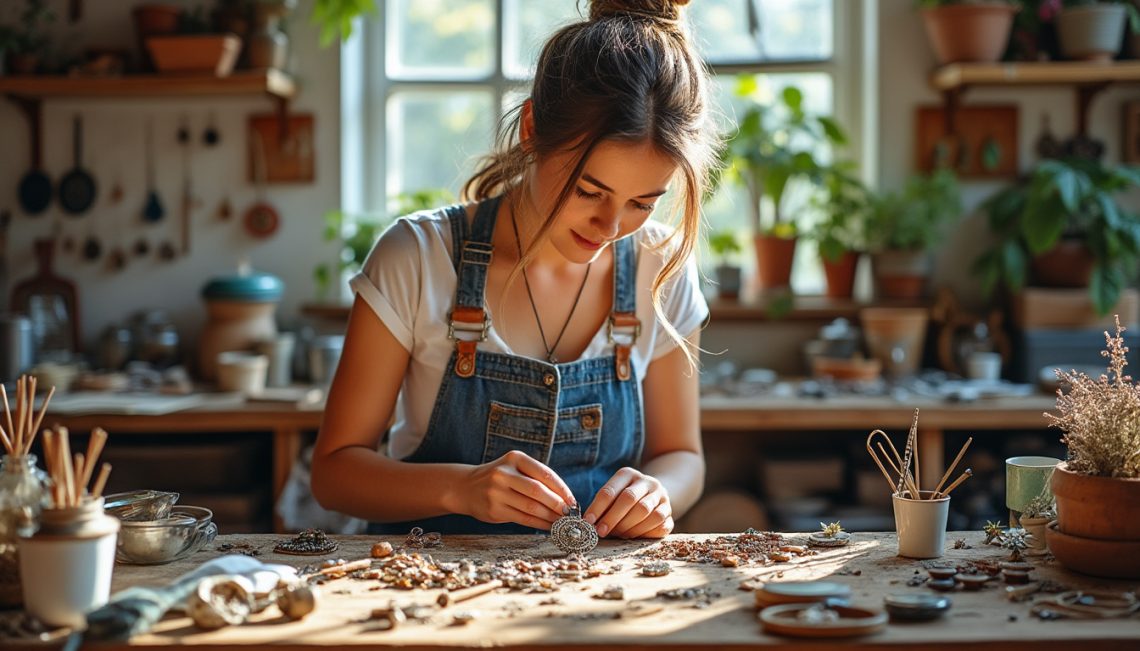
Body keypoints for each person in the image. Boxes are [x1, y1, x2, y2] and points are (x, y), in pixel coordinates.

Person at [311, 0, 721, 538]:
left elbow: (683, 456)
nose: (610, 225)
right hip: (427, 576)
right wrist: (459, 489)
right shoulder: (417, 256)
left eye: (642, 202)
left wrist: (659, 492)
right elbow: (334, 474)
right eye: (588, 191)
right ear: (531, 128)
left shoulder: (659, 266)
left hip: (594, 582)